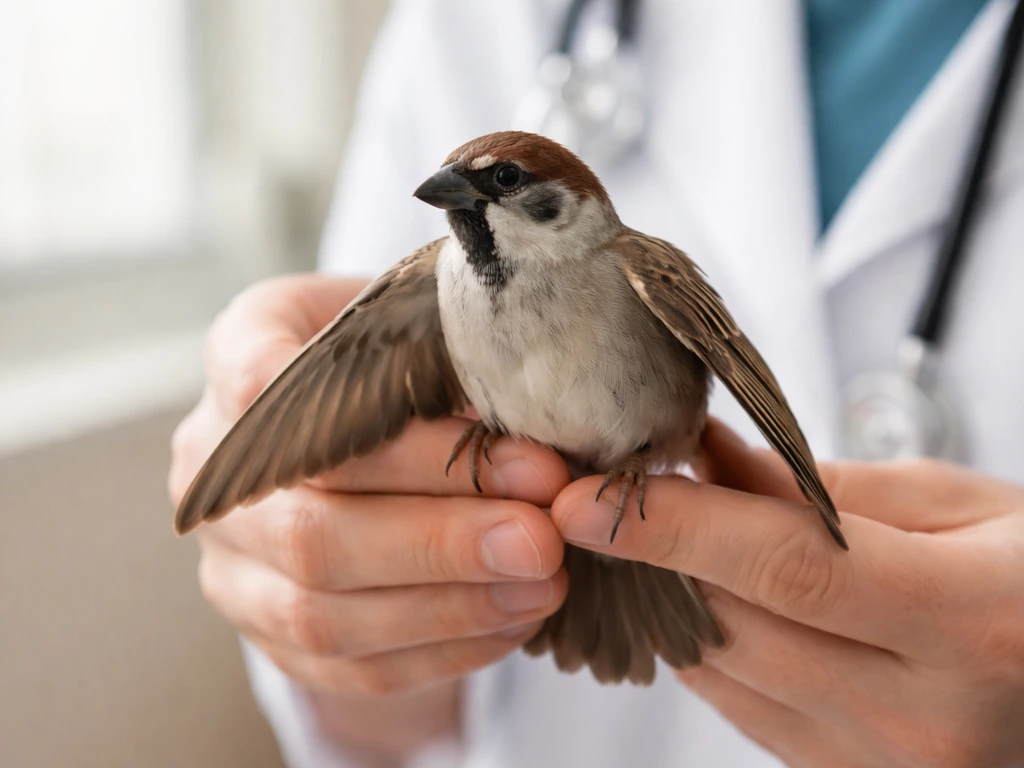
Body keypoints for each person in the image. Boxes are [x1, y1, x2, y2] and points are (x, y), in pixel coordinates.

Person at [167, 1, 1024, 766]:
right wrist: (327, 584)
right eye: (464, 184)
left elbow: (743, 374)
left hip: (645, 481)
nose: (460, 197)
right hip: (528, 621)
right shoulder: (443, 253)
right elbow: (326, 403)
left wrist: (808, 501)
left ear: (563, 207)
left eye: (501, 184)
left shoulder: (632, 264)